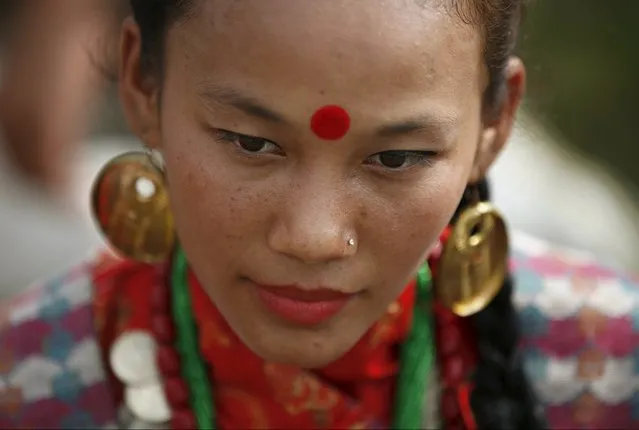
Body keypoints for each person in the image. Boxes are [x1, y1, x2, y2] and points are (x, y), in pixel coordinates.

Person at [1, 0, 637, 429]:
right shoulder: (27, 380)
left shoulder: (609, 365)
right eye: (249, 143)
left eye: (398, 156)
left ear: (494, 125)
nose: (313, 238)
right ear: (142, 84)